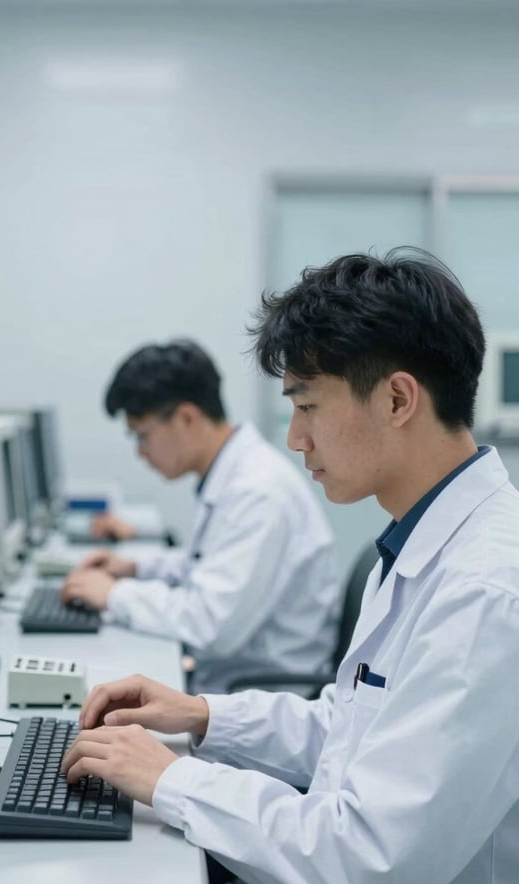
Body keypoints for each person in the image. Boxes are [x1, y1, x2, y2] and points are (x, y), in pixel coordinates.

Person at [61, 250, 519, 884]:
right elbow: (349, 725)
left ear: (396, 399)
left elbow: (368, 856)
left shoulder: (484, 591)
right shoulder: (422, 537)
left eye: (307, 407)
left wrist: (172, 779)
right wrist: (204, 715)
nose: (295, 439)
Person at [60, 338, 339, 694]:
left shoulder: (258, 493)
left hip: (260, 698)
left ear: (186, 418)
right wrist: (136, 569)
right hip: (231, 678)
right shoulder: (234, 475)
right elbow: (206, 565)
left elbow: (210, 625)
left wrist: (114, 595)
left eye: (142, 436)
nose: (140, 453)